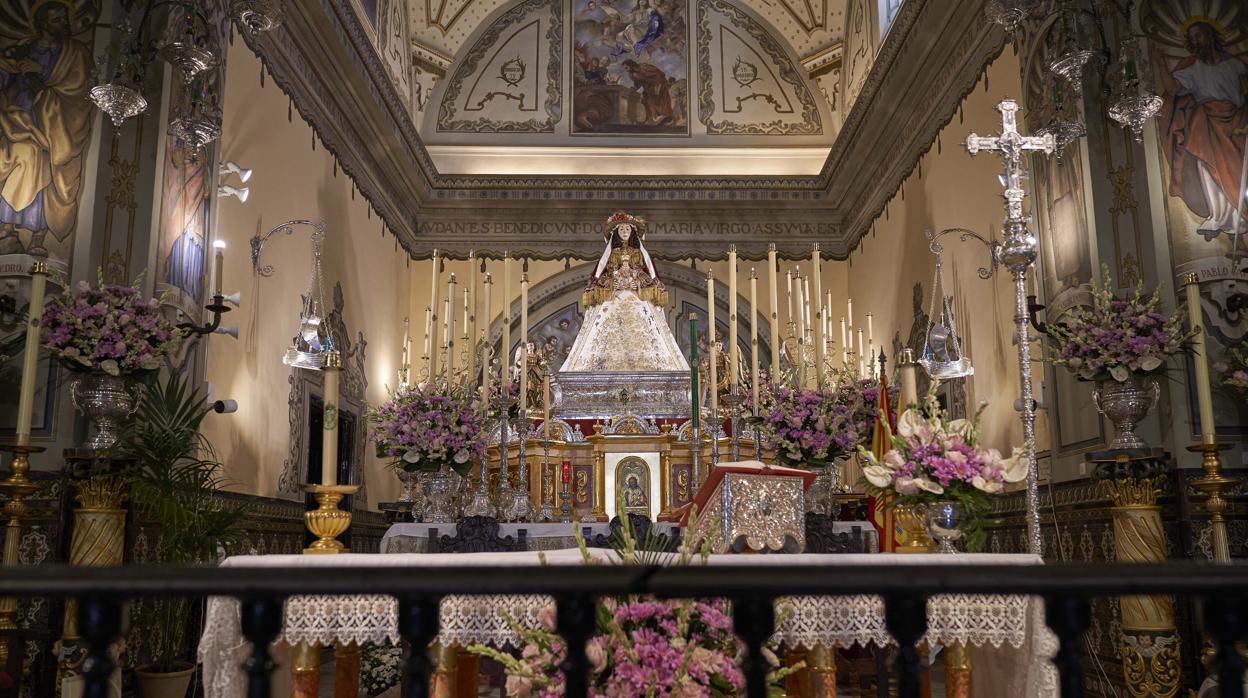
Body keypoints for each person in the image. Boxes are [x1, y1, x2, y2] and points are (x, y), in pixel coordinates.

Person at [0, 0, 95, 259]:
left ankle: (36, 236)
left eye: (65, 18)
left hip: (54, 127)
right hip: (17, 119)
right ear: (41, 23)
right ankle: (7, 229)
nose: (64, 23)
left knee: (43, 166)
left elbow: (80, 88)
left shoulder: (75, 53)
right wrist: (7, 67)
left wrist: (41, 73)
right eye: (57, 19)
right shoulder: (24, 48)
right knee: (24, 157)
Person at [1154, 18, 1248, 240]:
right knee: (1206, 165)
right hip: (1207, 122)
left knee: (1238, 167)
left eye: (1199, 35)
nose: (1196, 41)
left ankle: (1239, 214)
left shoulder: (1234, 64)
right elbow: (1173, 89)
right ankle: (1219, 215)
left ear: (1210, 35)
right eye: (1193, 38)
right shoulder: (1194, 68)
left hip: (1235, 123)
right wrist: (1159, 65)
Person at [583, 211, 667, 307]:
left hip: (636, 294)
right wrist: (612, 284)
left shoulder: (638, 253)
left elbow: (644, 273)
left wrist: (637, 283)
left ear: (632, 232)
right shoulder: (612, 254)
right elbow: (607, 273)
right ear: (616, 232)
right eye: (621, 229)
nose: (625, 232)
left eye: (627, 229)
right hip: (614, 294)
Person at [621, 59, 672, 125]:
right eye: (625, 68)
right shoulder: (633, 74)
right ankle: (652, 118)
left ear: (631, 65)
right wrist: (635, 88)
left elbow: (659, 74)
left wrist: (657, 87)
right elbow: (638, 83)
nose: (626, 70)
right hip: (649, 88)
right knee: (645, 99)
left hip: (659, 84)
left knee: (660, 102)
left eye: (626, 67)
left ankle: (664, 117)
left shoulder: (644, 67)